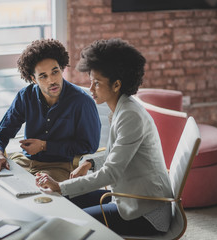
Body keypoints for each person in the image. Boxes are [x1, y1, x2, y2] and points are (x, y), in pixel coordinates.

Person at [36, 38, 173, 236]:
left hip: (146, 212)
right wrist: (90, 163)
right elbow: (117, 154)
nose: (90, 88)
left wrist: (60, 186)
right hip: (127, 198)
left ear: (116, 85)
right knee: (62, 202)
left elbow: (111, 173)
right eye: (91, 81)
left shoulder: (130, 116)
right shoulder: (122, 108)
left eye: (97, 83)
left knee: (72, 221)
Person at [0, 39, 101, 182]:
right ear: (33, 79)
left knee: (37, 196)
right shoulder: (25, 96)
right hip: (24, 161)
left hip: (60, 167)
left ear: (62, 69)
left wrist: (44, 146)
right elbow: (1, 133)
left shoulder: (81, 102)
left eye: (55, 72)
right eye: (43, 76)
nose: (52, 80)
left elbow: (89, 146)